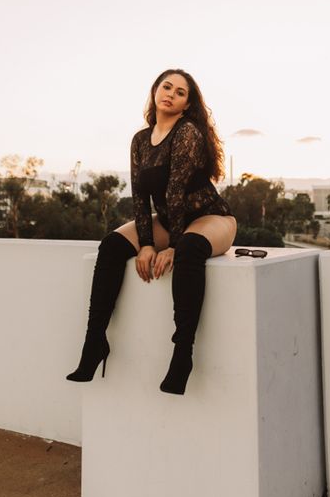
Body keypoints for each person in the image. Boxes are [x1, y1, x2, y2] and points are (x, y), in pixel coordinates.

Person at [66, 68, 237, 394]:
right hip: (170, 219)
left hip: (211, 217)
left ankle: (182, 354)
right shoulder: (141, 140)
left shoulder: (187, 132)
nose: (170, 93)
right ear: (155, 91)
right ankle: (94, 342)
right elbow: (140, 199)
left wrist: (169, 245)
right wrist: (145, 244)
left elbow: (174, 191)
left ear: (187, 104)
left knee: (188, 249)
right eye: (166, 86)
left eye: (180, 92)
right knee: (113, 245)